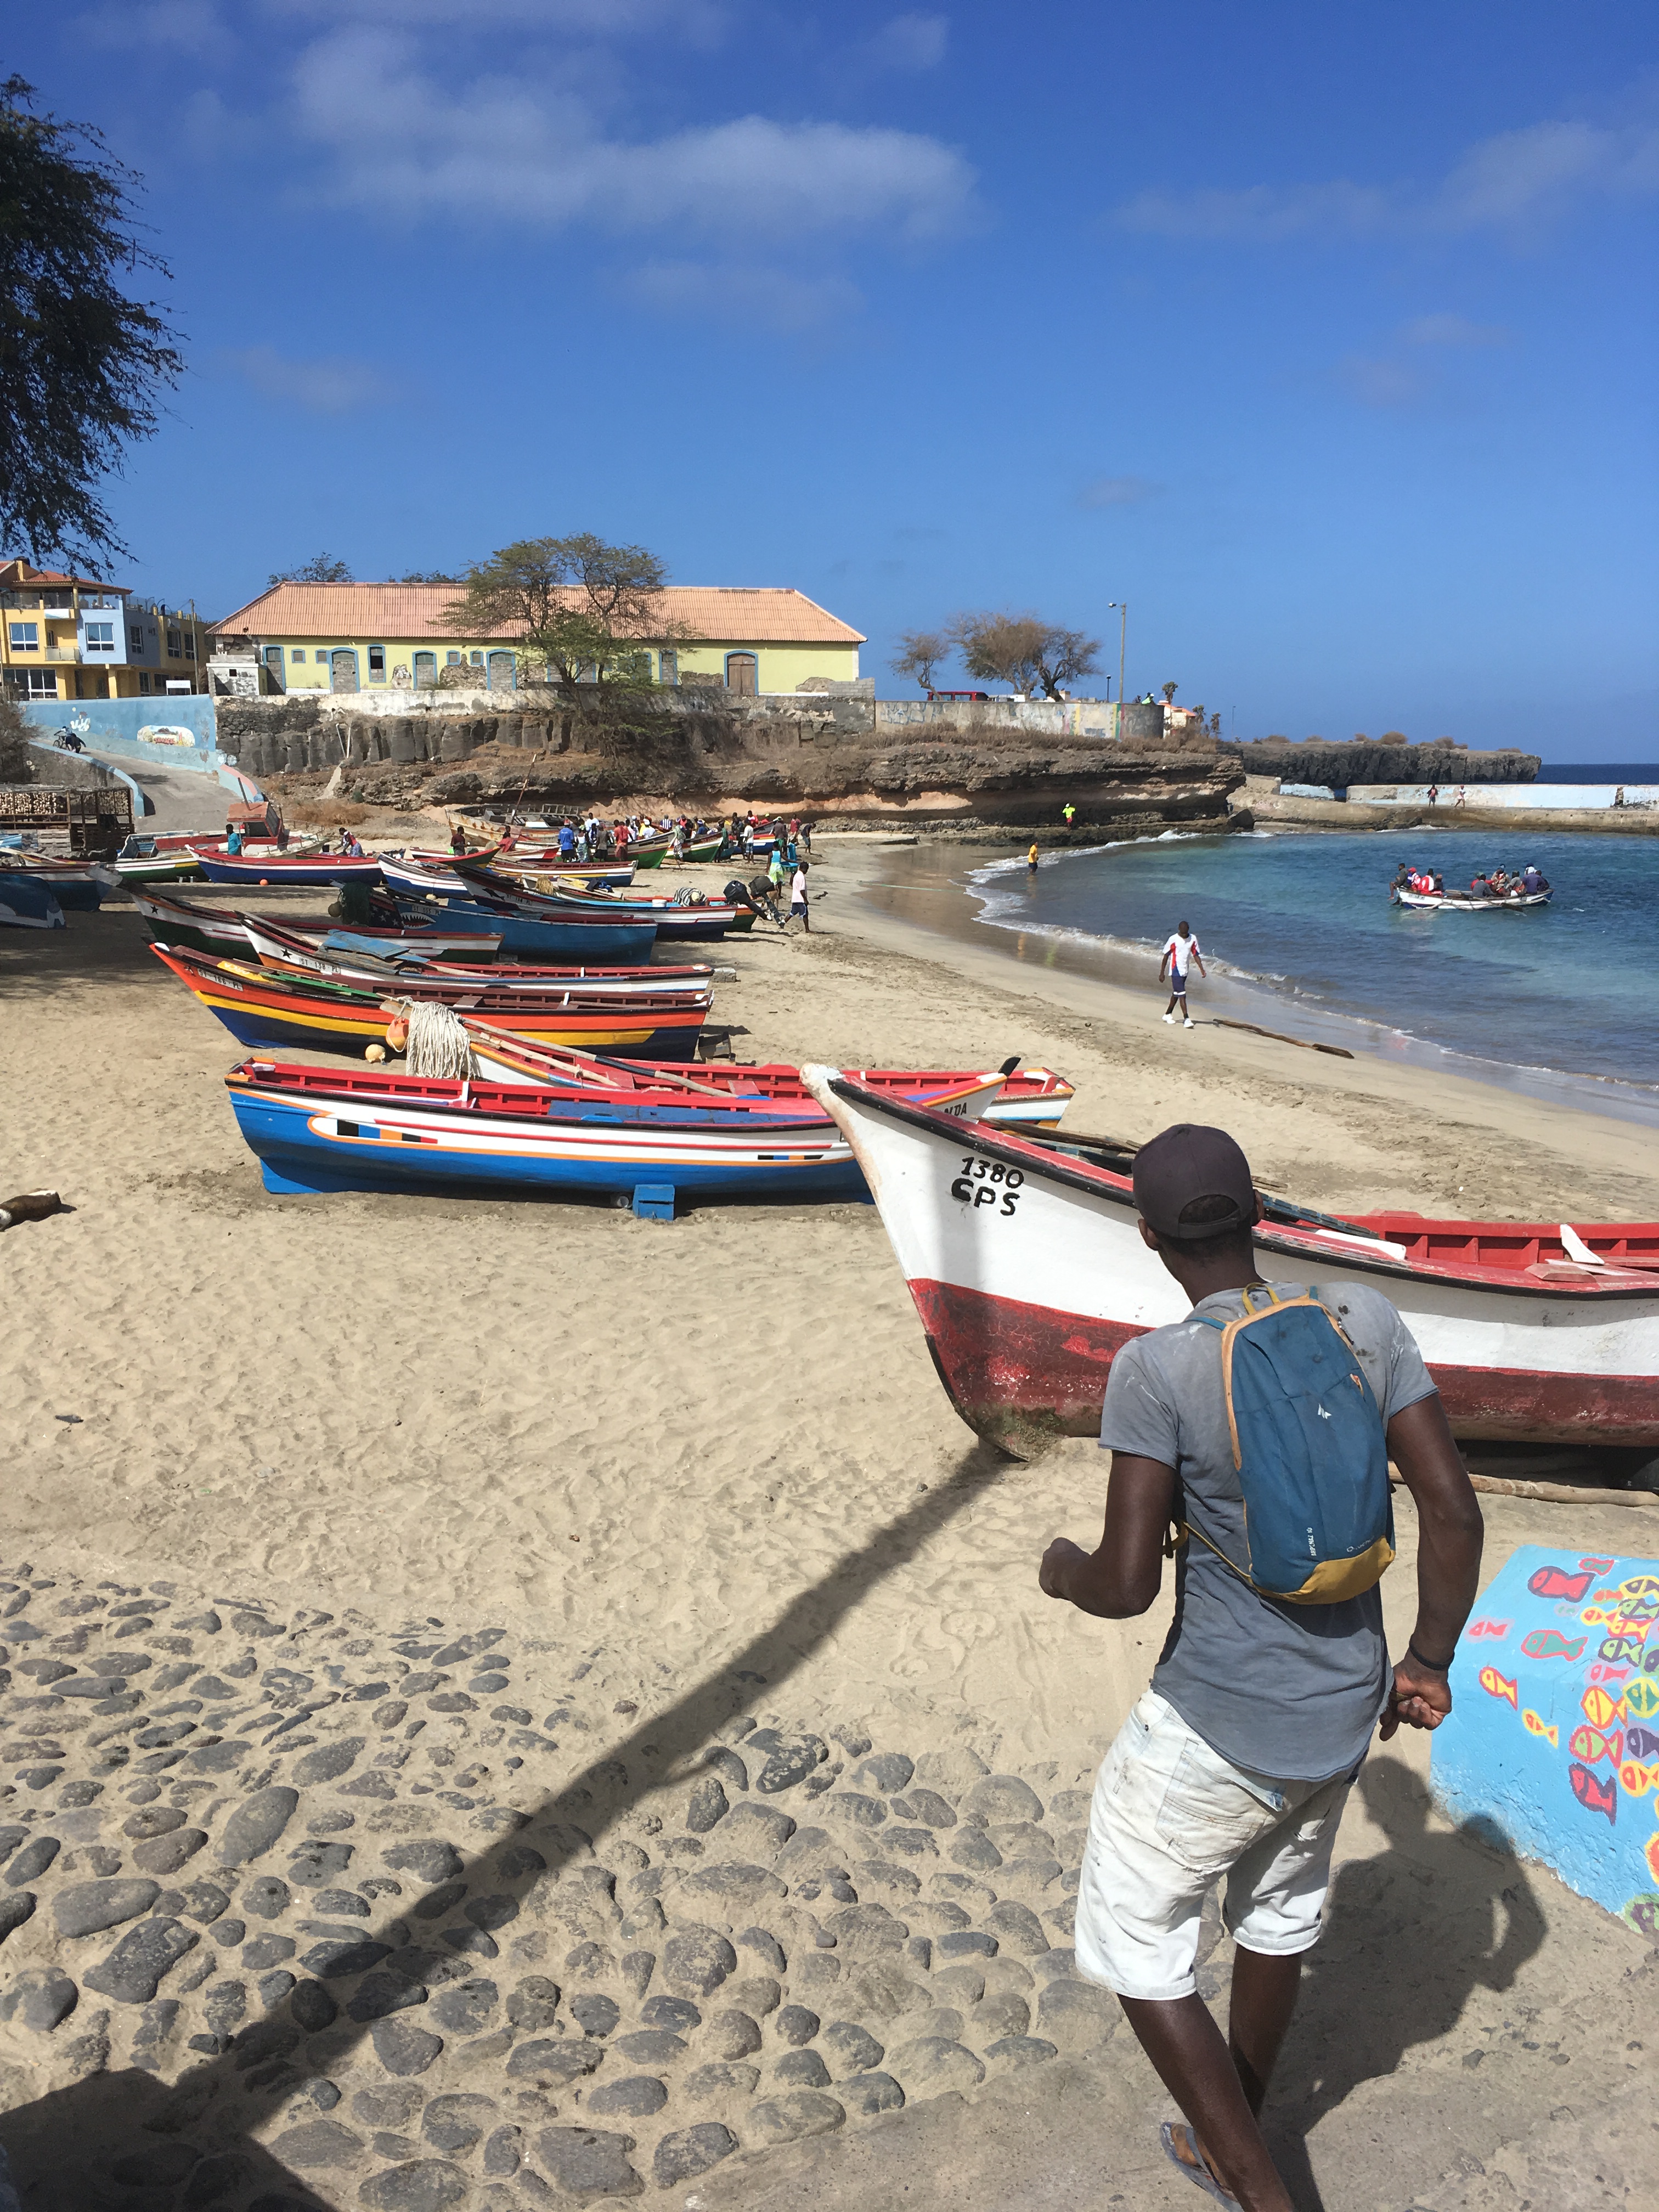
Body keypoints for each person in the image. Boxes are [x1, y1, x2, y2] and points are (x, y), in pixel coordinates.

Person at [1039, 1123, 1482, 2212]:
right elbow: (1452, 1511)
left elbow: (1126, 1584)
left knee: (1136, 1940)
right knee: (1276, 1919)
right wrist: (1426, 1660)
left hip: (1216, 1723)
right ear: (1258, 1213)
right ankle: (1227, 2132)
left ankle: (1256, 2186)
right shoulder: (1363, 1319)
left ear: (1148, 1237)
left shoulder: (1156, 1368)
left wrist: (1060, 1570)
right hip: (1343, 1711)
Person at [1160, 921, 1206, 1029]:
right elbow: (1166, 956)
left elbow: (1196, 955)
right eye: (1183, 933)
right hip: (1175, 970)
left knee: (1177, 993)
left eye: (1186, 933)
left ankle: (1168, 1014)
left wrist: (1202, 969)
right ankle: (1186, 1019)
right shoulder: (1173, 939)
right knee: (1182, 994)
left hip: (1185, 970)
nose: (1185, 935)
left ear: (1188, 929)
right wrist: (1162, 973)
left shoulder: (1193, 939)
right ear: (1179, 929)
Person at [790, 857, 811, 930]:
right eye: (806, 870)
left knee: (792, 913)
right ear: (803, 868)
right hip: (800, 899)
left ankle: (783, 922)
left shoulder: (796, 874)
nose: (807, 871)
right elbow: (802, 890)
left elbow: (791, 883)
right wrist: (805, 899)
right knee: (805, 914)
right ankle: (807, 930)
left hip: (795, 898)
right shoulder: (801, 876)